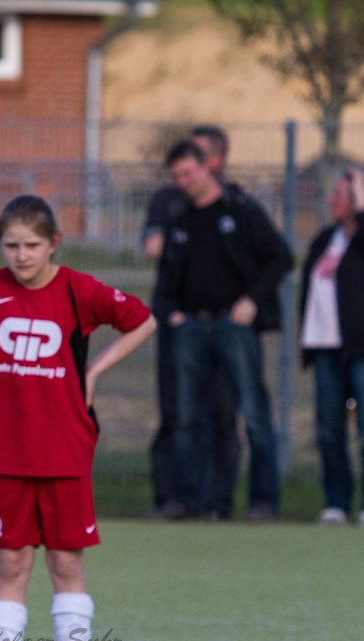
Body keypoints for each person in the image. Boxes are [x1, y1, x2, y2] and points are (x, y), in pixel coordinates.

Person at [0, 195, 155, 641]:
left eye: (32, 245)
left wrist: (95, 369)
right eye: (11, 245)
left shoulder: (80, 290)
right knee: (11, 563)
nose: (21, 255)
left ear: (53, 243)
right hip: (6, 453)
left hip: (65, 450)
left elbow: (143, 321)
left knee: (65, 563)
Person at [154, 139, 293, 522]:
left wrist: (251, 300)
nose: (182, 181)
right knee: (186, 416)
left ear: (206, 167)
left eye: (188, 172)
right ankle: (186, 499)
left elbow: (280, 256)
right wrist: (172, 315)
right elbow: (165, 279)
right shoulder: (179, 219)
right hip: (191, 328)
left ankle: (263, 502)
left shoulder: (241, 211)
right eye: (176, 176)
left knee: (253, 412)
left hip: (234, 326)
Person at [142, 125, 241, 520]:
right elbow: (153, 248)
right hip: (178, 325)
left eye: (194, 161)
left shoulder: (234, 202)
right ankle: (173, 499)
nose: (184, 175)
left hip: (223, 326)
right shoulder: (170, 204)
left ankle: (218, 502)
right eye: (179, 168)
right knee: (176, 414)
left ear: (212, 162)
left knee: (222, 414)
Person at [298, 167, 364, 526]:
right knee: (329, 430)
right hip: (325, 347)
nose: (333, 201)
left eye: (342, 194)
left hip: (362, 349)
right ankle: (336, 502)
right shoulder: (327, 237)